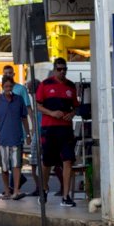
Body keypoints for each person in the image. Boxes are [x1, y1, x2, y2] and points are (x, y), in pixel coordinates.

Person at [35, 57, 79, 207]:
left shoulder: (71, 86)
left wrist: (71, 114)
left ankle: (66, 196)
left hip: (65, 129)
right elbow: (38, 105)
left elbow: (75, 106)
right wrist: (51, 113)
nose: (62, 72)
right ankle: (44, 187)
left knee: (68, 160)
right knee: (47, 162)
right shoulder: (45, 84)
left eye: (64, 69)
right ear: (54, 70)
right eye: (59, 69)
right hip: (49, 128)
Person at [0, 75, 30, 200]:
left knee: (17, 166)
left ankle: (16, 190)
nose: (8, 88)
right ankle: (7, 190)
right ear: (3, 87)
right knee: (5, 167)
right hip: (3, 139)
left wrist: (28, 134)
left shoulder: (19, 100)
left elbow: (24, 118)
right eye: (6, 86)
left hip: (17, 138)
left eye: (10, 86)